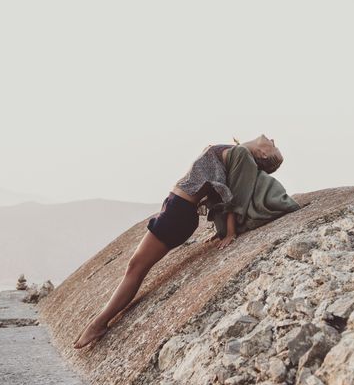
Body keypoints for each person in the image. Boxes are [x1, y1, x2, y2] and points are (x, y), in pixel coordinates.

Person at [72, 134, 288, 349]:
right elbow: (215, 188)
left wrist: (230, 232)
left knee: (135, 268)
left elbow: (233, 196)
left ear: (263, 153)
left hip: (179, 213)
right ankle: (99, 321)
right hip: (174, 207)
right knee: (135, 266)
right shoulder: (235, 149)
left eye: (274, 148)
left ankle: (99, 323)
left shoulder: (241, 154)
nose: (273, 140)